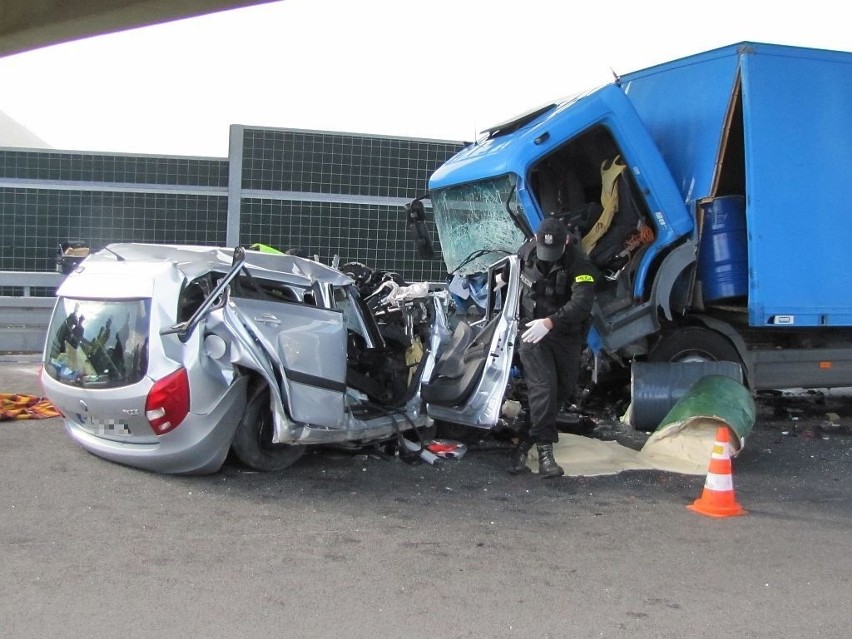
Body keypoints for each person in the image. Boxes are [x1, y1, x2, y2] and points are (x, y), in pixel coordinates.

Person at [506, 217, 597, 478]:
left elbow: (582, 303)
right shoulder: (526, 253)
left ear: (566, 242)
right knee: (544, 386)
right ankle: (546, 454)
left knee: (562, 390)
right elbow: (509, 275)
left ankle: (523, 445)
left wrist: (550, 322)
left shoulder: (579, 263)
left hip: (563, 335)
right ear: (536, 238)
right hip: (532, 333)